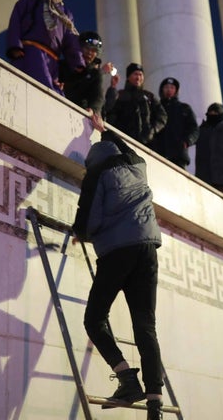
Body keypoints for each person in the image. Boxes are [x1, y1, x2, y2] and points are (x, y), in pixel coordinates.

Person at [72, 112, 165, 420]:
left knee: (95, 319)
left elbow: (86, 216)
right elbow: (122, 146)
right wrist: (104, 130)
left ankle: (126, 378)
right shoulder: (137, 164)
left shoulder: (96, 173)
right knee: (145, 327)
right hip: (148, 249)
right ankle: (155, 405)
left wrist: (79, 234)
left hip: (117, 253)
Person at [6, 0, 84, 95]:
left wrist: (78, 62)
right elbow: (16, 20)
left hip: (52, 61)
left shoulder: (65, 14)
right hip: (31, 53)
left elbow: (70, 39)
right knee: (43, 90)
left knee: (56, 94)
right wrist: (14, 45)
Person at [106, 63, 167, 148]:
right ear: (128, 77)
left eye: (140, 74)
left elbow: (162, 116)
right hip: (123, 141)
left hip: (146, 144)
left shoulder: (149, 96)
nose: (138, 77)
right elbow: (108, 110)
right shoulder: (120, 95)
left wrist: (153, 130)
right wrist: (112, 87)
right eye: (135, 74)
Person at [59, 31, 118, 115]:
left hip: (79, 116)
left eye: (94, 50)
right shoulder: (63, 66)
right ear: (79, 47)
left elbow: (98, 97)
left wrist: (93, 110)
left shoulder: (95, 74)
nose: (89, 53)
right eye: (87, 48)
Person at [151, 77, 199, 169]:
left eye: (172, 87)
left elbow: (194, 129)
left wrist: (187, 141)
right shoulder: (155, 108)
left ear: (176, 90)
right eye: (166, 87)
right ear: (162, 90)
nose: (169, 90)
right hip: (158, 154)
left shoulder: (184, 108)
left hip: (179, 156)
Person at [195, 102, 223, 193]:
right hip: (203, 175)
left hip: (220, 178)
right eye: (210, 113)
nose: (212, 115)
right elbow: (190, 137)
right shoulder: (201, 130)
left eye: (215, 114)